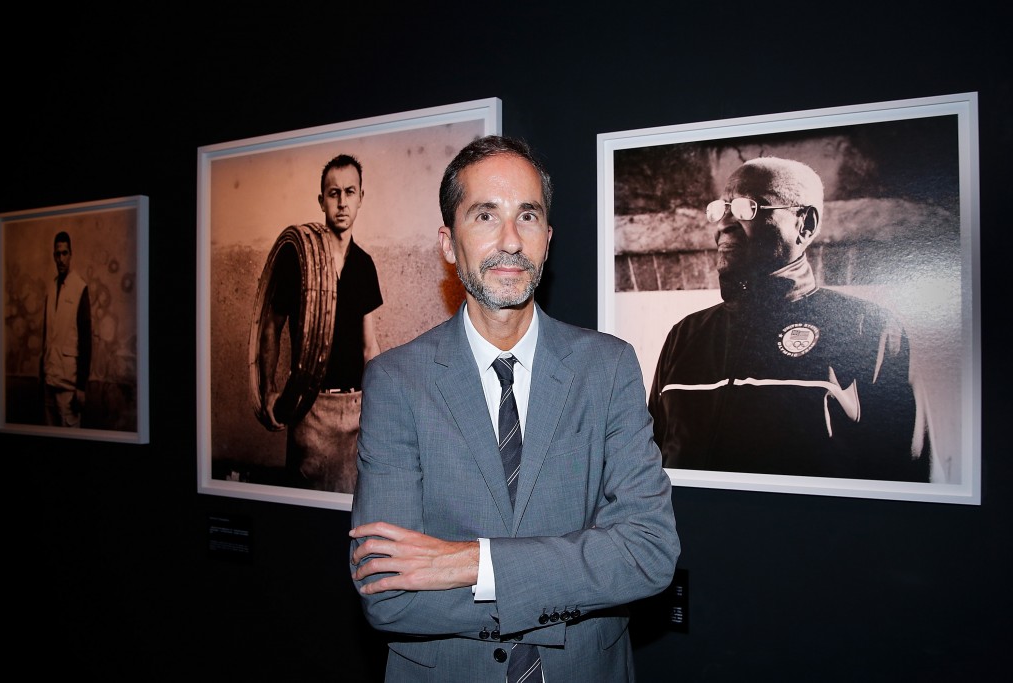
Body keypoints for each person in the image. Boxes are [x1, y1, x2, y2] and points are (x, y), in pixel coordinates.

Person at [349, 135, 680, 683]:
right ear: (449, 243)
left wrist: (474, 565)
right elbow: (388, 597)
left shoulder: (608, 368)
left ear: (547, 239)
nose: (510, 240)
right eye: (485, 215)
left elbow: (647, 554)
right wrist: (566, 586)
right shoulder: (396, 381)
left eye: (527, 216)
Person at [648, 156, 932, 482]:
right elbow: (649, 465)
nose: (724, 223)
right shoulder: (685, 336)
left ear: (805, 224)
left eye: (746, 207)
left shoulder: (869, 329)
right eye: (721, 208)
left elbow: (906, 476)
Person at [259, 154, 383, 491]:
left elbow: (369, 345)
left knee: (351, 514)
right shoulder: (297, 262)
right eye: (333, 193)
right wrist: (268, 390)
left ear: (360, 198)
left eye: (349, 192)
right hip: (308, 407)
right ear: (321, 201)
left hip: (354, 410)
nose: (342, 202)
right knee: (306, 513)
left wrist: (375, 408)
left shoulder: (364, 265)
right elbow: (271, 326)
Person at [41, 230, 92, 427]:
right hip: (49, 381)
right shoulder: (51, 287)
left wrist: (81, 387)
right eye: (57, 254)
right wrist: (42, 376)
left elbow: (86, 340)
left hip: (68, 387)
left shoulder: (80, 288)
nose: (61, 259)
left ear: (71, 254)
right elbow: (47, 335)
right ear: (53, 256)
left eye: (65, 253)